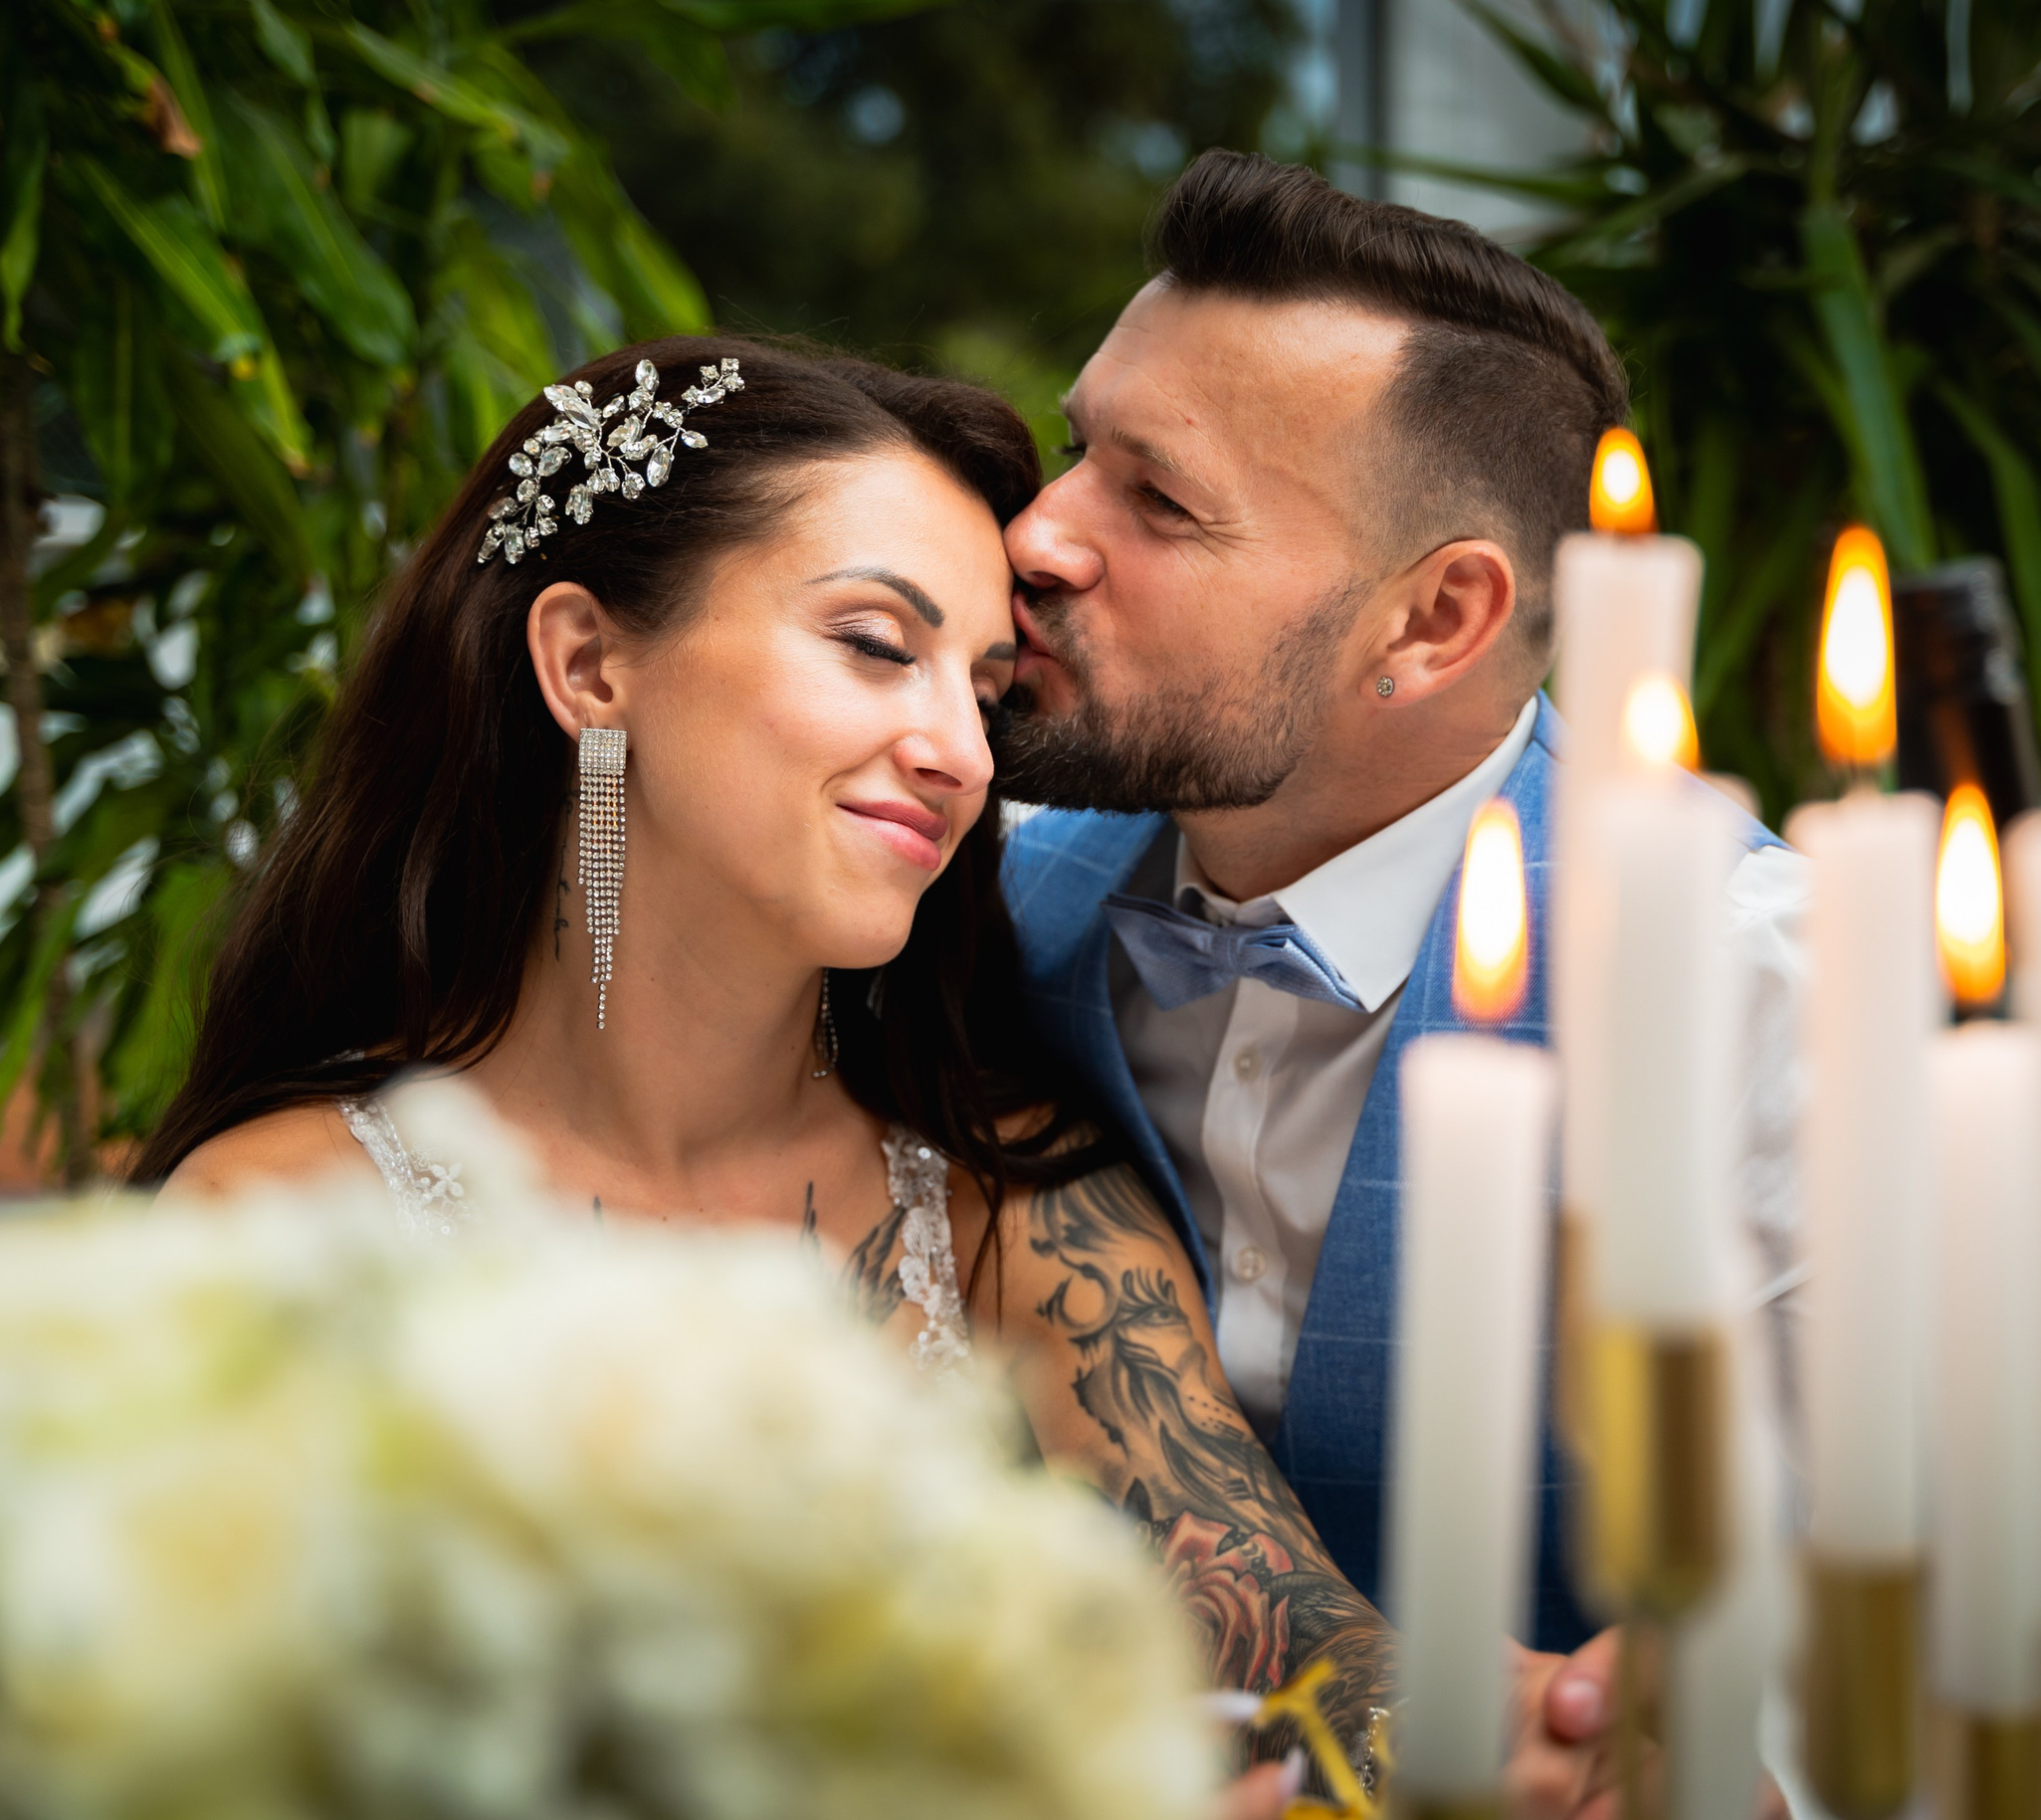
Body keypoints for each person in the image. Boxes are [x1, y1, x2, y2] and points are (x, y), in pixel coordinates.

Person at [139, 336, 1429, 1812]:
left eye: (988, 685)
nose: (957, 748)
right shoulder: (283, 1225)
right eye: (878, 645)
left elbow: (1298, 1644)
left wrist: (1512, 1723)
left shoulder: (1009, 1201)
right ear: (588, 661)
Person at [996, 152, 1808, 1814]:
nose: (1036, 535)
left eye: (1156, 499)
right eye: (1078, 447)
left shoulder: (1762, 998)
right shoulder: (956, 888)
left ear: (1436, 619)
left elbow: (1895, 1647)